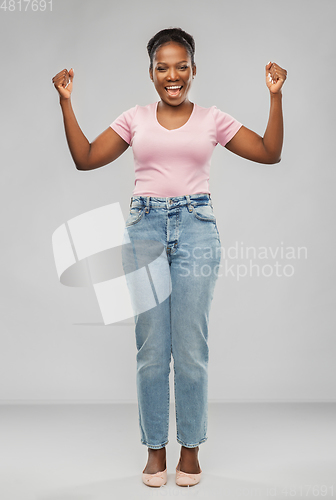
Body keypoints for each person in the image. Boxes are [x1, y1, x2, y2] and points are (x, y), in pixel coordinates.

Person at [52, 27, 287, 488]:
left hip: (197, 229)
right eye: (163, 67)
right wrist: (66, 101)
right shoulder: (135, 118)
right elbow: (84, 158)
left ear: (194, 70)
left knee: (192, 348)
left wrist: (275, 98)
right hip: (144, 231)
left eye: (182, 66)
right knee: (152, 349)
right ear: (152, 72)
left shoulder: (212, 119)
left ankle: (191, 451)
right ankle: (156, 450)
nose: (173, 75)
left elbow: (269, 152)